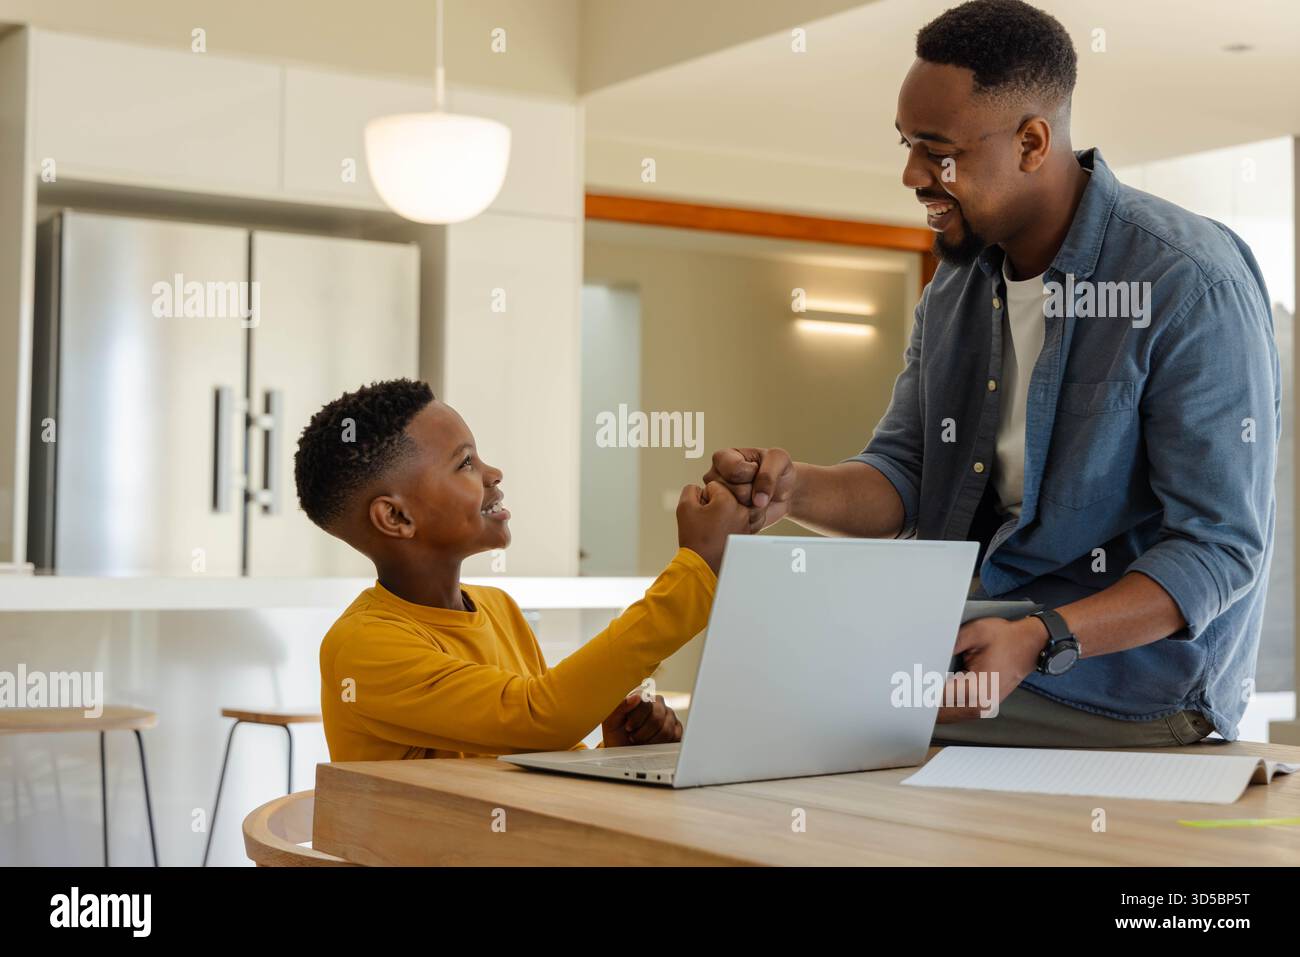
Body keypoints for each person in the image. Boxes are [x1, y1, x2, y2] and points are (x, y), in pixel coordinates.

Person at [707, 0, 1278, 748]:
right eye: (906, 144)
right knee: (747, 720)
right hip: (962, 655)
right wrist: (795, 488)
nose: (913, 173)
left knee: (795, 741)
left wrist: (1043, 637)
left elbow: (1220, 545)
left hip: (1124, 688)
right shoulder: (956, 286)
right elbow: (906, 473)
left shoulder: (1187, 281)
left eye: (937, 150)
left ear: (1033, 141)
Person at [296, 378, 756, 762]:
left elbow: (534, 749)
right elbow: (539, 717)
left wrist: (611, 751)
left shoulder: (499, 609)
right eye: (466, 463)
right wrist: (698, 568)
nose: (493, 473)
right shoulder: (363, 646)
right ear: (396, 518)